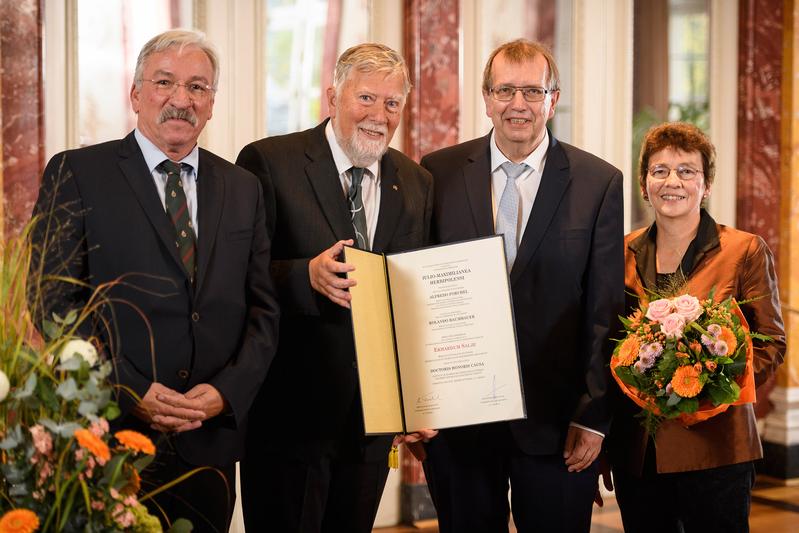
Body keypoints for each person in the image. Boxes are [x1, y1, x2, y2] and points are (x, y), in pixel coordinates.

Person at [30, 29, 279, 531]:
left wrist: (226, 393)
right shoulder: (78, 172)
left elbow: (263, 311)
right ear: (136, 93)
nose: (181, 99)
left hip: (209, 441)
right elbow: (52, 303)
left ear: (211, 104)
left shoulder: (243, 188)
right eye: (165, 82)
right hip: (108, 434)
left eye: (197, 87)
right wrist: (130, 388)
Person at [418, 39, 624, 533]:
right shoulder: (437, 173)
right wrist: (415, 402)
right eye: (505, 90)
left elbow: (606, 310)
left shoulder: (598, 182)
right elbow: (417, 295)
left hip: (558, 424)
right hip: (459, 423)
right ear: (486, 98)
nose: (518, 105)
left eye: (533, 91)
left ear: (553, 99)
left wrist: (594, 417)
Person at [235, 43, 433, 532]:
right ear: (333, 96)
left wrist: (414, 399)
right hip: (288, 417)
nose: (379, 115)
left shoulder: (415, 181)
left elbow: (415, 302)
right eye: (366, 98)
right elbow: (237, 275)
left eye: (392, 104)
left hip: (371, 423)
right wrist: (304, 275)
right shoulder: (269, 161)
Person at [607, 122, 786, 533]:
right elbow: (609, 348)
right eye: (660, 170)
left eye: (687, 171)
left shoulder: (744, 250)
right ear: (644, 183)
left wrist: (712, 385)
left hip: (718, 451)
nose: (673, 181)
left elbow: (771, 343)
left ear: (705, 186)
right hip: (640, 452)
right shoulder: (620, 253)